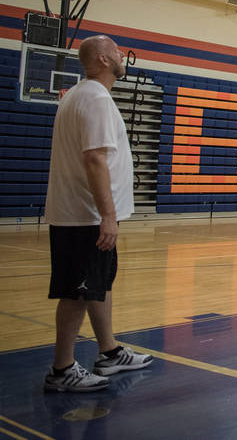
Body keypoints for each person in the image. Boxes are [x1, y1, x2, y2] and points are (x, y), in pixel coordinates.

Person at [43, 35, 153, 393]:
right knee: (77, 292)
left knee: (97, 285)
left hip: (84, 215)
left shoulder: (79, 95)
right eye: (118, 52)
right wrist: (108, 215)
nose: (124, 56)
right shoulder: (95, 98)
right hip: (85, 217)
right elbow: (94, 159)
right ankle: (62, 369)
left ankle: (109, 351)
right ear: (104, 59)